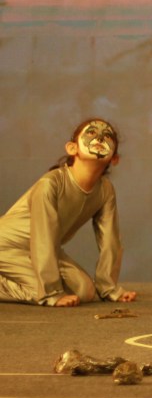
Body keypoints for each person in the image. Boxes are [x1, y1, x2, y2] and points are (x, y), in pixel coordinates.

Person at [0, 118, 137, 307]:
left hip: (44, 249)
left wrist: (109, 289)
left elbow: (110, 240)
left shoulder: (105, 190)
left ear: (115, 158)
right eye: (91, 133)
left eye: (107, 136)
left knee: (85, 291)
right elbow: (43, 237)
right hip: (6, 247)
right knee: (40, 290)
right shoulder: (50, 184)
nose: (99, 138)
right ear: (72, 148)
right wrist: (52, 292)